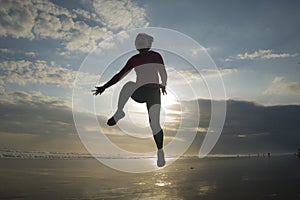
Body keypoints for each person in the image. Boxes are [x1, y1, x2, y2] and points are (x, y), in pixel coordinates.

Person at [92, 33, 167, 167]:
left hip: (154, 92)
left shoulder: (156, 56)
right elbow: (120, 75)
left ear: (148, 43)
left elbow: (162, 71)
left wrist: (163, 84)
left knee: (154, 123)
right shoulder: (134, 59)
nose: (139, 43)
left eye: (142, 40)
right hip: (139, 92)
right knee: (128, 85)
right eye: (137, 41)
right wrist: (105, 86)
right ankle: (119, 112)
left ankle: (160, 152)